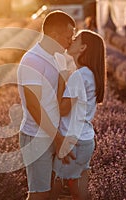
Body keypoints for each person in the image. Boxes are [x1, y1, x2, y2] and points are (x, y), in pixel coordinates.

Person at [17, 11, 77, 200]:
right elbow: (34, 107)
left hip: (53, 133)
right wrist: (58, 138)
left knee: (53, 192)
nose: (71, 40)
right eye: (69, 36)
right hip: (37, 136)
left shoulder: (57, 57)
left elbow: (56, 99)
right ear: (54, 36)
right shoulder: (32, 61)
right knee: (39, 194)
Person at [51, 30, 106, 200]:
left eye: (76, 39)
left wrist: (61, 81)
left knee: (53, 189)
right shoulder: (91, 74)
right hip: (86, 138)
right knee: (79, 191)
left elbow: (63, 109)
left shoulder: (79, 76)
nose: (71, 41)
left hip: (72, 140)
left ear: (83, 48)